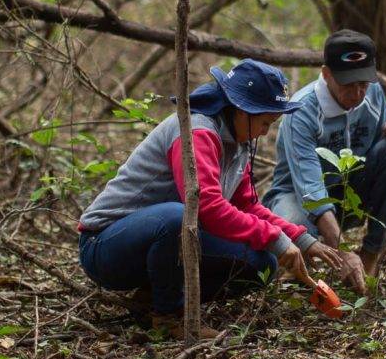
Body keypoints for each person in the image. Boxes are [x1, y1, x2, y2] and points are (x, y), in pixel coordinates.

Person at [78, 59, 349, 339]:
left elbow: (247, 206)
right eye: (265, 122)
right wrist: (275, 239)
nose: (266, 131)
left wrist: (301, 239)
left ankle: (150, 300)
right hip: (105, 246)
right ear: (242, 110)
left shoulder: (238, 143)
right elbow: (205, 208)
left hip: (160, 243)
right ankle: (169, 317)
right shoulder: (197, 132)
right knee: (176, 217)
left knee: (262, 264)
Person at [263, 30, 386, 279]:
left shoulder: (373, 93)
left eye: (363, 83)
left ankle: (370, 256)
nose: (357, 93)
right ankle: (303, 268)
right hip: (297, 196)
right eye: (348, 84)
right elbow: (311, 191)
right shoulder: (302, 112)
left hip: (349, 193)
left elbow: (384, 156)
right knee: (292, 230)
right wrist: (342, 251)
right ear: (326, 74)